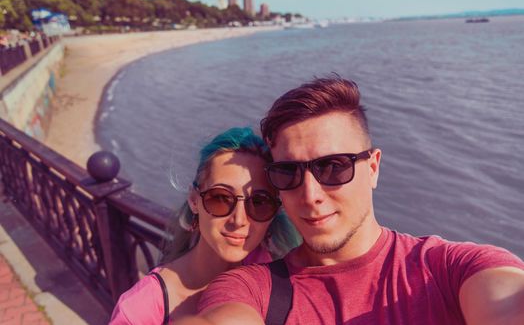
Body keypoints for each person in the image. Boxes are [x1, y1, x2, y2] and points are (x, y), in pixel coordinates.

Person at [181, 77, 524, 324]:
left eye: (333, 167)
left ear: (373, 167)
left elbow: (506, 299)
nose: (310, 195)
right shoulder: (251, 289)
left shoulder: (448, 269)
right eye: (288, 173)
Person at [110, 127, 301, 324]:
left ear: (275, 211)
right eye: (221, 198)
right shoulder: (139, 310)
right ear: (194, 200)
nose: (239, 220)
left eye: (259, 202)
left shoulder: (278, 273)